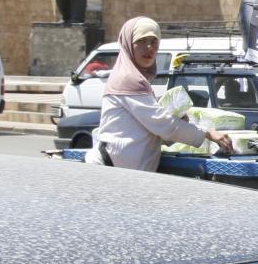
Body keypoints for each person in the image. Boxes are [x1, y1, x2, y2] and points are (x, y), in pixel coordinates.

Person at [86, 17, 235, 170]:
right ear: (128, 44)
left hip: (126, 172)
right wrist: (208, 133)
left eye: (153, 41)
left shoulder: (137, 78)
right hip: (111, 170)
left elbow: (150, 130)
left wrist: (179, 120)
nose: (149, 47)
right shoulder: (128, 78)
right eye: (141, 41)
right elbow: (162, 124)